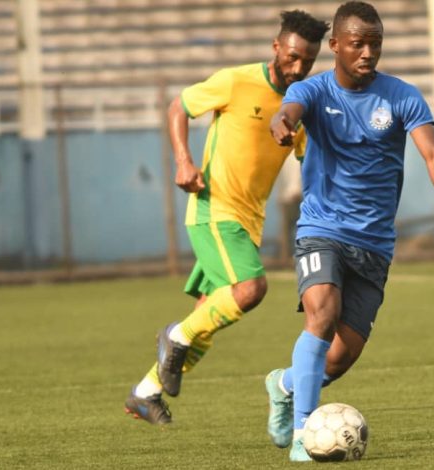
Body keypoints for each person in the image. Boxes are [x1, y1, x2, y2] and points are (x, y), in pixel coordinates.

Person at [266, 1, 434, 461]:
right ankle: (303, 432)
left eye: (374, 43)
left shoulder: (401, 96)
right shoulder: (314, 90)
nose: (366, 53)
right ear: (335, 46)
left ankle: (283, 384)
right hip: (321, 227)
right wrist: (283, 123)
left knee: (339, 358)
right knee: (321, 313)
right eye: (357, 44)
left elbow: (433, 155)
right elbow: (290, 110)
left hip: (374, 241)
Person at [123, 10, 330, 425]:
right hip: (214, 208)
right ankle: (173, 336)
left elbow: (312, 168)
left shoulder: (300, 105)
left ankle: (145, 392)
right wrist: (183, 162)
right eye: (291, 57)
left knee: (209, 315)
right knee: (251, 289)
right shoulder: (236, 81)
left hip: (247, 223)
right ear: (276, 47)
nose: (298, 67)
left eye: (307, 61)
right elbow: (178, 107)